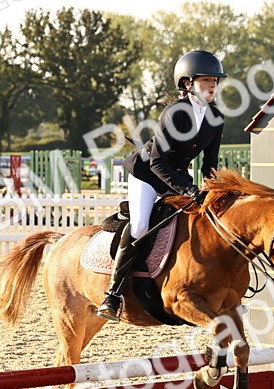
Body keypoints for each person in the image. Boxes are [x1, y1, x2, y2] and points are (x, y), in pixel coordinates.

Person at [94, 50, 226, 322]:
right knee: (142, 225)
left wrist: (215, 190)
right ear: (188, 84)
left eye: (215, 80)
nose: (213, 85)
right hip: (147, 173)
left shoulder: (215, 117)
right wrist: (187, 190)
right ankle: (113, 294)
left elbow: (209, 164)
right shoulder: (175, 112)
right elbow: (157, 162)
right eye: (206, 80)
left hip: (176, 176)